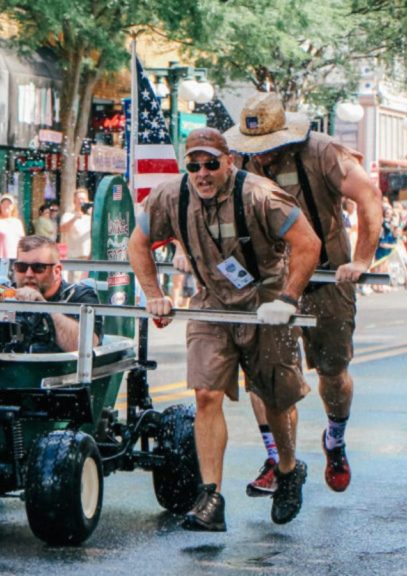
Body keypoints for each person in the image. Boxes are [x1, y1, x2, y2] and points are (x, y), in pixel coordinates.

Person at [129, 128, 321, 531]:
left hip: (264, 303)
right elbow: (138, 242)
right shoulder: (170, 196)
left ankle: (288, 470)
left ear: (228, 162)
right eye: (194, 164)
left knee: (275, 399)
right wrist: (154, 294)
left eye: (211, 163)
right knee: (205, 394)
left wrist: (286, 299)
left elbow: (308, 243)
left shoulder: (259, 195)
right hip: (211, 303)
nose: (202, 172)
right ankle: (211, 496)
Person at [225, 92, 383, 495]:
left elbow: (369, 196)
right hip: (269, 283)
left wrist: (362, 260)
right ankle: (279, 459)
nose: (260, 158)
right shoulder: (241, 162)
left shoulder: (322, 152)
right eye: (252, 149)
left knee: (333, 374)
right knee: (267, 377)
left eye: (267, 149)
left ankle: (335, 437)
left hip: (327, 278)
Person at [59, 187, 92, 281]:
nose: (82, 201)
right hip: (76, 258)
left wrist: (93, 215)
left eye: (84, 199)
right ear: (74, 200)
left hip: (90, 259)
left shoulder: (91, 216)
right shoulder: (68, 215)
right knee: (75, 285)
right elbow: (62, 229)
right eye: (79, 199)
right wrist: (74, 218)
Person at [0, 194, 26, 261]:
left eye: (9, 204)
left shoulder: (18, 223)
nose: (6, 206)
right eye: (4, 203)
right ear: (0, 206)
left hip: (15, 262)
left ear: (13, 207)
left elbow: (22, 243)